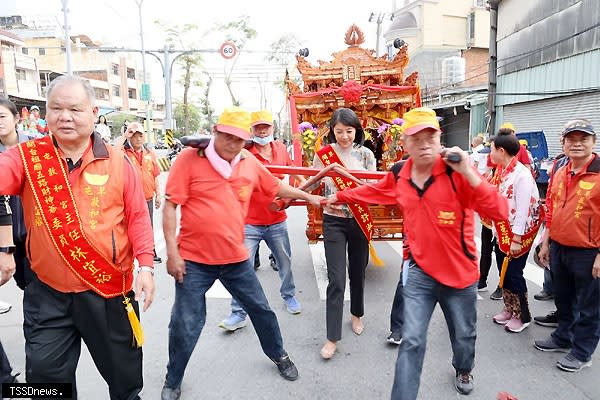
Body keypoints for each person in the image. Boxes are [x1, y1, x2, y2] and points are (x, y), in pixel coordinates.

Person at [325, 107, 508, 398]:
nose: (424, 143)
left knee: (463, 335)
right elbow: (374, 192)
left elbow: (499, 210)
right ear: (405, 144)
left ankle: (463, 367)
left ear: (440, 138)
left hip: (459, 275)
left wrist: (468, 173)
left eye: (430, 136)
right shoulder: (400, 173)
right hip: (421, 273)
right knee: (411, 342)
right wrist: (340, 195)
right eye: (416, 137)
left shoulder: (457, 171)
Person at [0, 75, 156, 399]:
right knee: (44, 384)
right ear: (46, 113)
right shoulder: (27, 158)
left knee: (125, 382)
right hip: (47, 293)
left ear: (93, 112)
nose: (65, 116)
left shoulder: (118, 162)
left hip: (109, 290)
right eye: (56, 108)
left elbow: (138, 217)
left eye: (75, 109)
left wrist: (146, 266)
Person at [161, 107, 323, 400]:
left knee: (262, 310)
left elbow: (277, 187)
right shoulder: (189, 159)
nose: (231, 144)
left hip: (236, 260)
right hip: (194, 260)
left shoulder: (247, 161)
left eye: (238, 139)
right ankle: (173, 378)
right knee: (186, 322)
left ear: (245, 140)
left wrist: (309, 196)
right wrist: (172, 253)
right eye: (226, 137)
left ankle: (279, 354)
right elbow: (171, 206)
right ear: (215, 131)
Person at [219, 110, 304, 332]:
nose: (262, 130)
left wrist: (305, 185)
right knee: (242, 267)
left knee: (284, 262)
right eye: (257, 127)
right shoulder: (244, 153)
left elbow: (294, 173)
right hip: (250, 222)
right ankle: (238, 313)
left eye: (265, 127)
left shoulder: (281, 149)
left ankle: (289, 296)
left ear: (272, 128)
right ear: (251, 130)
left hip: (277, 219)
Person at [310, 108, 376, 360]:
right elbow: (314, 182)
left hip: (359, 219)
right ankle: (332, 337)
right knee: (336, 279)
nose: (345, 136)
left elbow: (371, 187)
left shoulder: (366, 154)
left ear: (357, 130)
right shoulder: (324, 155)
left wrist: (349, 182)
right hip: (333, 221)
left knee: (357, 272)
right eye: (339, 131)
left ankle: (357, 314)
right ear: (332, 131)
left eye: (349, 131)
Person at [535, 119, 600, 373]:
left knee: (590, 306)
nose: (576, 144)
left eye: (583, 139)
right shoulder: (561, 171)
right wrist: (546, 241)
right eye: (571, 139)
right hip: (560, 246)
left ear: (593, 143)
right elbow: (551, 208)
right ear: (563, 143)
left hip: (589, 252)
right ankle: (563, 337)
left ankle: (583, 352)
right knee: (563, 298)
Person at [489, 132, 542, 333]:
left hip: (518, 234)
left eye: (492, 149)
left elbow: (523, 210)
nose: (490, 153)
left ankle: (523, 315)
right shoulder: (502, 171)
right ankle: (509, 308)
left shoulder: (522, 175)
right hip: (502, 231)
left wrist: (517, 238)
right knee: (504, 272)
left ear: (501, 151)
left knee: (513, 273)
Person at [0, 98, 35, 291]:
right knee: (22, 283)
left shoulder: (34, 149)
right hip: (8, 237)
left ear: (15, 119)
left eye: (2, 116)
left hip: (35, 235)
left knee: (36, 289)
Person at [121, 122, 162, 264]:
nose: (139, 139)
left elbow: (155, 174)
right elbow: (112, 153)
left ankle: (151, 252)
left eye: (141, 136)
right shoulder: (123, 153)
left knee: (148, 225)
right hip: (130, 199)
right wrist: (124, 136)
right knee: (129, 226)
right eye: (135, 136)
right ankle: (129, 253)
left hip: (148, 197)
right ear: (130, 137)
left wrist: (159, 194)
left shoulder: (150, 154)